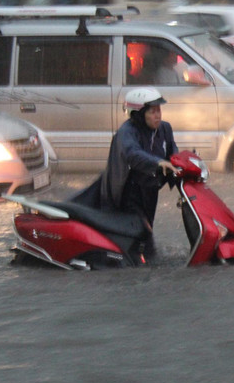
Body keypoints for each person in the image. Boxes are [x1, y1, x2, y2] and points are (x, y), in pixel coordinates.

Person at [72, 87, 179, 256]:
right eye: (152, 111)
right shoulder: (127, 132)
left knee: (146, 231)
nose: (158, 115)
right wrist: (158, 162)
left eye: (159, 110)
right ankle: (137, 268)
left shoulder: (165, 129)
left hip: (149, 189)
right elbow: (132, 154)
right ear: (138, 113)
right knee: (142, 233)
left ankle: (142, 259)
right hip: (127, 191)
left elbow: (174, 155)